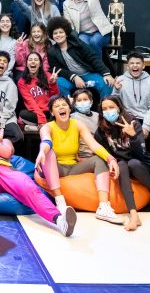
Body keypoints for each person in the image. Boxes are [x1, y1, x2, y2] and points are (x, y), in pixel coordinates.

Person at [0, 117, 77, 237]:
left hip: (6, 171)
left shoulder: (5, 141)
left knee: (28, 187)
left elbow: (6, 153)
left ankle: (60, 221)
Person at [34, 95, 124, 224]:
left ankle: (103, 207)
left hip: (72, 167)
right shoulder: (47, 127)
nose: (61, 107)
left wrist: (111, 159)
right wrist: (42, 151)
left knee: (99, 159)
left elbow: (93, 145)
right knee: (49, 153)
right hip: (55, 168)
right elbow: (46, 141)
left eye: (64, 105)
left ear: (69, 109)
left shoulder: (78, 125)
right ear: (52, 113)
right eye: (57, 106)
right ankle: (60, 202)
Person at [96, 95, 150, 230]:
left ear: (119, 108)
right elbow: (106, 155)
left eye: (111, 107)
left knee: (133, 163)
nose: (108, 111)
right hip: (122, 166)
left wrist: (133, 136)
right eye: (104, 109)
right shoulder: (101, 130)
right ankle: (134, 215)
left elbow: (141, 154)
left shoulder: (133, 123)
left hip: (143, 164)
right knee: (122, 165)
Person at [113, 51, 150, 166]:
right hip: (129, 117)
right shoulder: (121, 80)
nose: (135, 65)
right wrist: (116, 90)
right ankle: (136, 161)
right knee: (129, 135)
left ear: (143, 65)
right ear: (127, 66)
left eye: (138, 63)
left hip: (147, 116)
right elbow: (114, 103)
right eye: (132, 63)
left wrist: (146, 127)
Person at [46, 16, 115, 102]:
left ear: (66, 34)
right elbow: (57, 69)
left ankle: (105, 106)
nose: (58, 35)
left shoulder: (77, 44)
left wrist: (106, 73)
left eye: (61, 32)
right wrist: (73, 77)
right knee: (59, 82)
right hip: (70, 79)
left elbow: (93, 57)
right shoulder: (51, 52)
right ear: (52, 36)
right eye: (55, 33)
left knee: (106, 83)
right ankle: (68, 107)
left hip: (88, 74)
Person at [17, 52, 60, 127]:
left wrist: (53, 84)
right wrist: (41, 119)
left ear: (40, 64)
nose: (33, 61)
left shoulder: (48, 75)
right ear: (26, 64)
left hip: (50, 111)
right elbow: (30, 102)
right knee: (22, 113)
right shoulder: (22, 81)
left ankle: (40, 125)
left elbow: (55, 97)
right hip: (36, 113)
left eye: (36, 59)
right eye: (30, 60)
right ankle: (49, 123)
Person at [70, 88, 99, 160]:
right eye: (79, 100)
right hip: (84, 155)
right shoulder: (72, 118)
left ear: (91, 101)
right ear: (75, 104)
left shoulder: (98, 116)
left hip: (99, 151)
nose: (82, 102)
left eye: (85, 99)